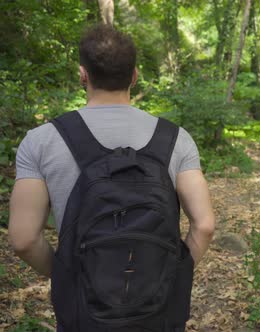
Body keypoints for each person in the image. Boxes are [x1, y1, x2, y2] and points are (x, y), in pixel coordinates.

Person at [8, 24, 215, 331]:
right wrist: (169, 275)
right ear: (134, 76)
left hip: (84, 315)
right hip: (157, 310)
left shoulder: (41, 141)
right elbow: (205, 225)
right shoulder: (177, 140)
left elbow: (24, 240)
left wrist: (71, 275)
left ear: (82, 74)